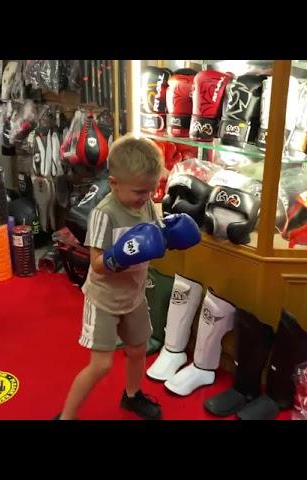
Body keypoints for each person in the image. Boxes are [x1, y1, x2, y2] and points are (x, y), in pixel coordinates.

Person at [57, 134, 200, 420]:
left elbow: (153, 234)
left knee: (138, 351)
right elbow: (95, 264)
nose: (145, 198)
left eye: (150, 190)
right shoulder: (104, 214)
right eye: (138, 192)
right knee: (101, 365)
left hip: (134, 296)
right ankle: (67, 416)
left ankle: (132, 396)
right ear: (114, 184)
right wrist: (117, 256)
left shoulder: (144, 203)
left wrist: (169, 236)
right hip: (104, 301)